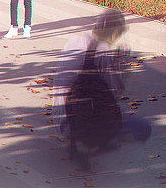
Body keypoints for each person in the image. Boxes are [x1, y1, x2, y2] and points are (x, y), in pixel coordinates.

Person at [54, 9, 150, 168]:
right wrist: (122, 68)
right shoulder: (102, 50)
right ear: (115, 33)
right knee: (144, 128)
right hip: (81, 122)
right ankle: (94, 144)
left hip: (62, 117)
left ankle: (87, 141)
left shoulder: (75, 42)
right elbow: (114, 93)